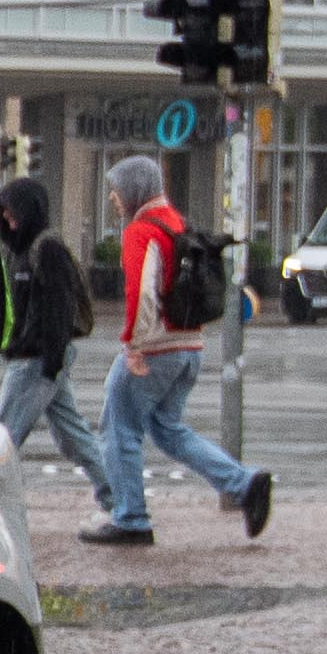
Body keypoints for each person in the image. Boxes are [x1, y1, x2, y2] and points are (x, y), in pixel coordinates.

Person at [81, 160, 274, 549]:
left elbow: (141, 293)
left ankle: (130, 518)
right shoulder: (177, 223)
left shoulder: (141, 231)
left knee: (119, 429)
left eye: (117, 190)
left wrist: (134, 347)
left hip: (155, 347)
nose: (114, 199)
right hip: (190, 346)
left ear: (135, 189)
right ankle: (244, 483)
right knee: (169, 431)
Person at [0, 172, 84, 464]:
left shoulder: (48, 248)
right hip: (34, 355)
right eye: (3, 209)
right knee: (74, 439)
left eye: (13, 208)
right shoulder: (17, 251)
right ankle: (118, 500)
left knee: (3, 439)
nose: (6, 215)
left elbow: (58, 306)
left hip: (37, 357)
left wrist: (50, 358)